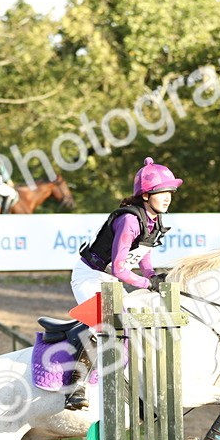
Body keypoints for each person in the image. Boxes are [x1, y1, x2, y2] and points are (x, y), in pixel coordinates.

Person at [62, 157, 182, 409]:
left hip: (110, 279)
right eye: (163, 192)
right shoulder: (129, 219)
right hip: (90, 276)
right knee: (104, 323)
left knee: (132, 322)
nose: (168, 197)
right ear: (146, 195)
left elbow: (145, 253)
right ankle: (76, 385)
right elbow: (119, 267)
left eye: (170, 191)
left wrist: (152, 276)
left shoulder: (154, 219)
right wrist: (145, 284)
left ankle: (132, 384)